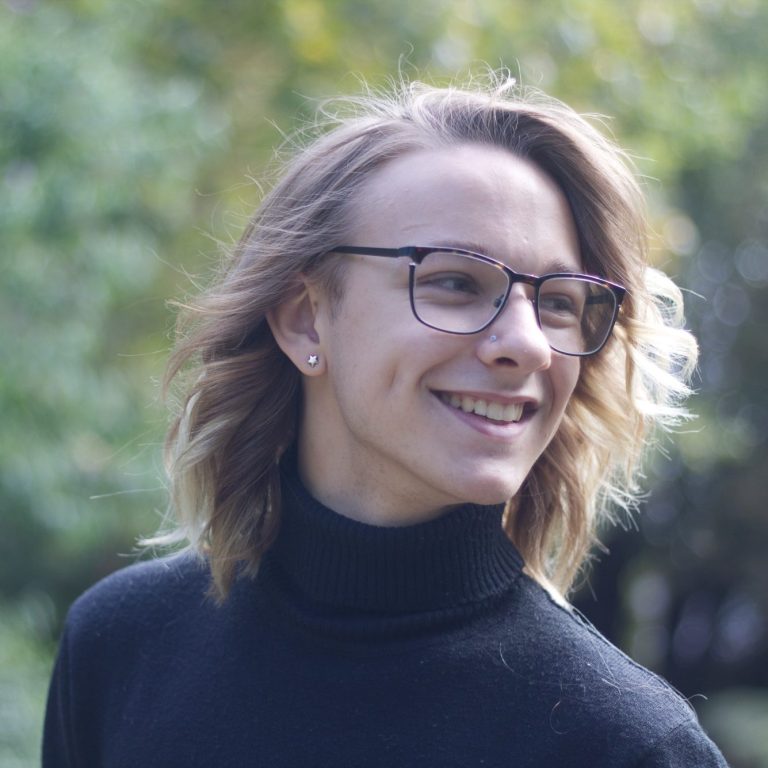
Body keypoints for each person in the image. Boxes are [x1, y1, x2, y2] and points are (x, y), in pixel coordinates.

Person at [43, 75, 729, 766]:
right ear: (305, 318)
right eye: (456, 281)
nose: (527, 344)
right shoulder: (120, 646)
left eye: (558, 301)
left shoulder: (626, 745)